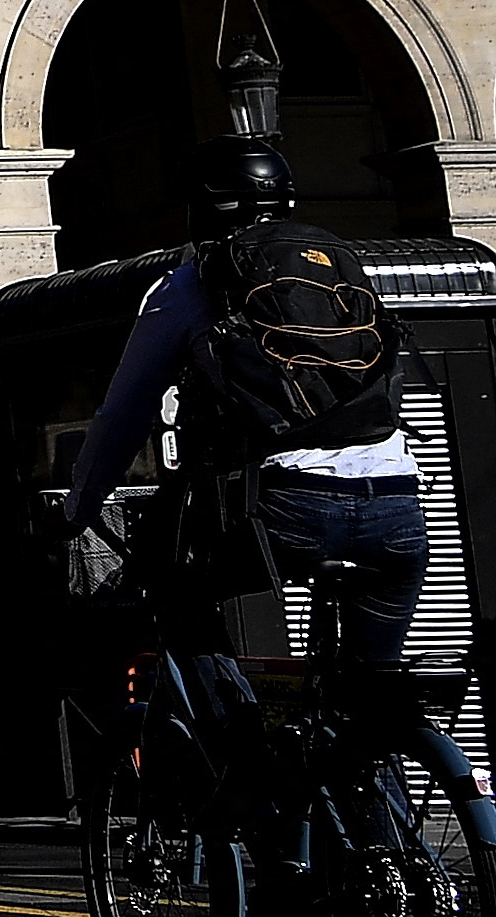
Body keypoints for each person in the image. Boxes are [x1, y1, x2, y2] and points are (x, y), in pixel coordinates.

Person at [66, 136, 425, 668]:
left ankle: (241, 740)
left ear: (205, 210)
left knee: (174, 592)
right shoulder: (336, 265)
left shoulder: (189, 285)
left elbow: (124, 412)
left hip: (291, 505)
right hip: (396, 504)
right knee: (375, 691)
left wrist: (81, 506)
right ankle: (390, 742)